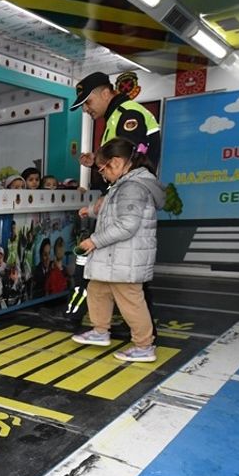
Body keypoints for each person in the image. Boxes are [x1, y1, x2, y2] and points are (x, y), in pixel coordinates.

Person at [71, 137, 165, 362]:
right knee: (97, 289)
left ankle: (144, 346)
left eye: (103, 169)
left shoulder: (133, 186)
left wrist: (94, 241)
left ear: (117, 162)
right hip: (115, 257)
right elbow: (110, 207)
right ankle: (100, 331)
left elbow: (127, 224)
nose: (102, 175)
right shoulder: (124, 183)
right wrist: (91, 210)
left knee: (131, 302)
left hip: (125, 257)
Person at [71, 71, 160, 191]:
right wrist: (96, 163)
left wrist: (107, 196)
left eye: (88, 102)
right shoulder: (115, 117)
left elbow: (129, 164)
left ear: (105, 94)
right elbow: (119, 164)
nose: (85, 109)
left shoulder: (127, 114)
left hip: (131, 194)